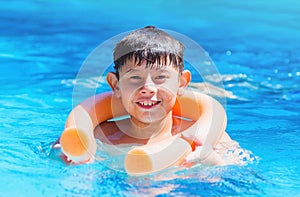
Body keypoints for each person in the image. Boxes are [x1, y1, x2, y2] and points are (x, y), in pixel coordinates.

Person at [55, 26, 242, 169]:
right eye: (135, 77)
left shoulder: (210, 138)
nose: (148, 88)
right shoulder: (99, 138)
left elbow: (244, 182)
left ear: (182, 83)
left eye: (161, 77)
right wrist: (66, 156)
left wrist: (213, 163)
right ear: (115, 85)